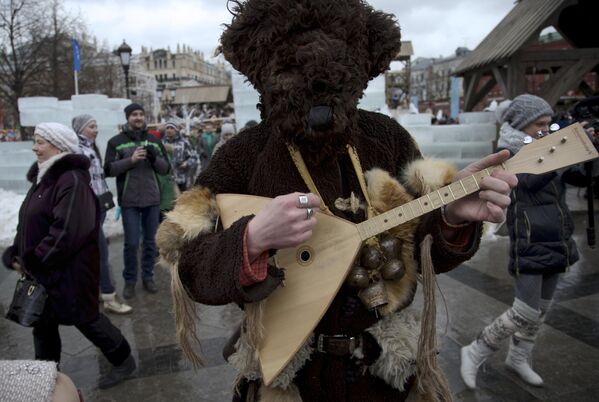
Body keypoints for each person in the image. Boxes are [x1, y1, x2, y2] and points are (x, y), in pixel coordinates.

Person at [156, 1, 517, 401]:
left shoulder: (386, 139)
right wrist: (252, 239)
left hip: (383, 375)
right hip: (290, 375)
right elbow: (189, 264)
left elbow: (426, 254)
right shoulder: (243, 155)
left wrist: (450, 218)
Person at [2, 123, 136, 389]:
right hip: (46, 271)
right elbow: (28, 221)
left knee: (86, 320)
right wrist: (17, 250)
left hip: (70, 272)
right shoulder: (44, 177)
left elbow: (66, 232)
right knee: (43, 325)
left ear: (59, 146)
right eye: (35, 141)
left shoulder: (71, 180)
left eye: (40, 142)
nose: (34, 147)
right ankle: (45, 377)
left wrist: (34, 260)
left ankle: (123, 360)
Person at [460, 94, 580, 389]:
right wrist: (562, 153)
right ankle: (476, 349)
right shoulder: (509, 153)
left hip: (556, 236)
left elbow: (573, 179)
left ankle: (519, 357)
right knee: (524, 310)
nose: (545, 128)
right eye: (539, 123)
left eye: (548, 123)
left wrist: (586, 157)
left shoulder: (548, 149)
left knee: (541, 309)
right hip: (529, 238)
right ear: (522, 125)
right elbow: (526, 184)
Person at [104, 104, 170, 299]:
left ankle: (148, 277)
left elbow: (165, 169)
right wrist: (130, 160)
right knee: (132, 243)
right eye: (134, 115)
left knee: (150, 242)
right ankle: (130, 281)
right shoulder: (116, 142)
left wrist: (153, 158)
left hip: (152, 199)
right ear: (128, 118)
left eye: (141, 114)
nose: (138, 117)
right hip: (129, 200)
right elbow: (108, 169)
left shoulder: (153, 141)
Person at [73, 114, 132, 314]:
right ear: (80, 129)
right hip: (87, 208)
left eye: (96, 125)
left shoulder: (90, 147)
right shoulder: (77, 149)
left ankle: (96, 290)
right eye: (91, 126)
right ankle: (108, 296)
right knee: (101, 252)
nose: (95, 129)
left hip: (97, 206)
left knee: (95, 252)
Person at [163, 121, 199, 192]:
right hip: (168, 179)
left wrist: (187, 163)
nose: (169, 130)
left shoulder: (184, 142)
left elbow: (194, 157)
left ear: (176, 130)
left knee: (182, 200)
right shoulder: (162, 143)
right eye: (167, 128)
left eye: (171, 128)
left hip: (181, 178)